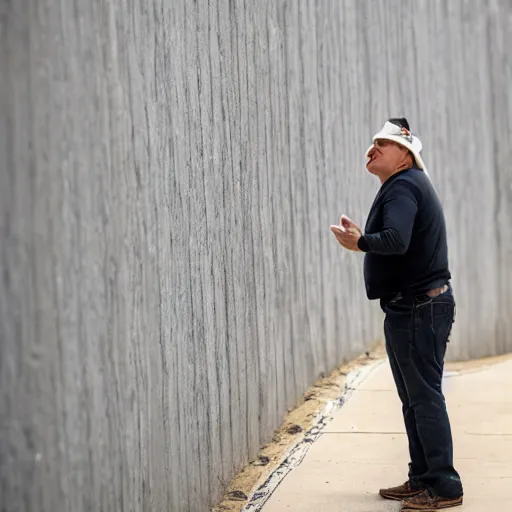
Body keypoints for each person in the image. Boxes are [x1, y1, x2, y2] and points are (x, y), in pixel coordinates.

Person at [330, 118, 463, 510]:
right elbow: (397, 245)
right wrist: (363, 245)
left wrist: (362, 241)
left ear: (405, 155)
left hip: (420, 307)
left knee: (423, 397)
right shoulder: (405, 186)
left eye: (381, 144)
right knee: (414, 398)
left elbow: (395, 239)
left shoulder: (403, 186)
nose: (371, 150)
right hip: (415, 307)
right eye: (371, 143)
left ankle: (444, 486)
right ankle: (422, 477)